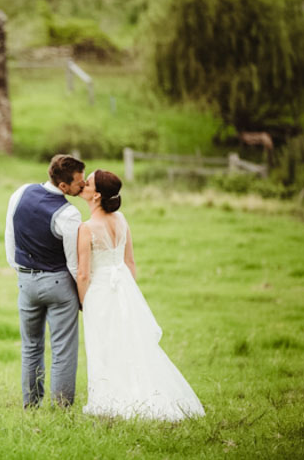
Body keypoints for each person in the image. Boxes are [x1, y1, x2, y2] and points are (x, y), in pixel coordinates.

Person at [76, 169, 205, 421]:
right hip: (124, 289)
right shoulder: (122, 220)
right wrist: (128, 293)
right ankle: (137, 392)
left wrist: (84, 302)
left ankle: (110, 400)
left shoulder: (86, 228)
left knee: (104, 345)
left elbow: (83, 274)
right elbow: (130, 263)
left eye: (88, 183)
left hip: (100, 293)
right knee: (131, 343)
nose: (83, 184)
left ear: (97, 195)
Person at [5, 154, 86, 408]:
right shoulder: (69, 214)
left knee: (30, 347)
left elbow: (9, 236)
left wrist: (18, 270)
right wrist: (82, 297)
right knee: (63, 350)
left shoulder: (20, 193)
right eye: (79, 183)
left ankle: (32, 405)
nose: (83, 186)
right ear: (64, 187)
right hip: (59, 284)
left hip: (26, 282)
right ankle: (62, 408)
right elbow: (74, 263)